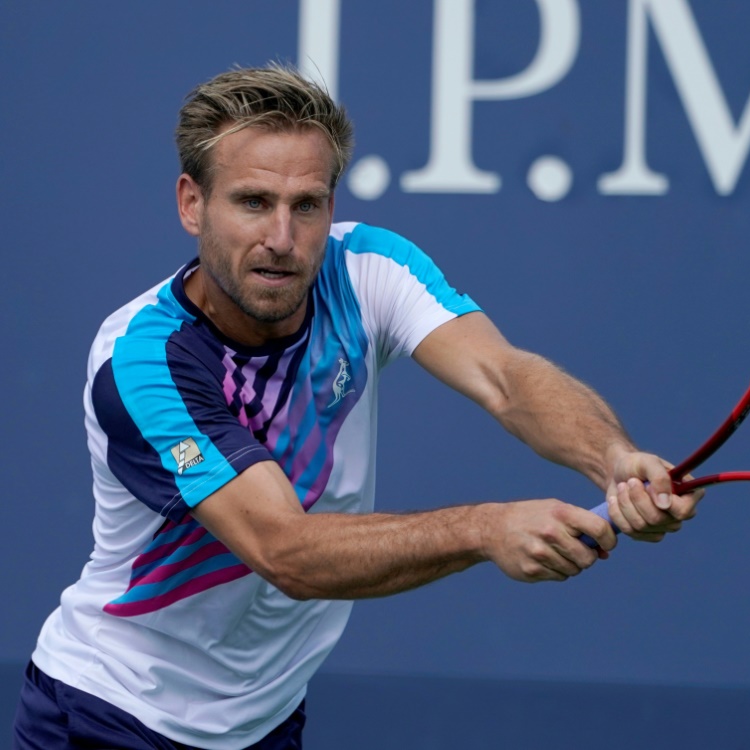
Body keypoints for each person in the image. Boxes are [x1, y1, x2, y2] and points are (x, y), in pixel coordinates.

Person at [12, 63, 703, 749]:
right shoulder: (143, 363)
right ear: (192, 204)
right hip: (110, 715)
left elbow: (505, 375)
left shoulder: (367, 267)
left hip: (265, 723)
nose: (282, 238)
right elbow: (285, 552)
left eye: (307, 205)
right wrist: (486, 529)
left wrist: (611, 457)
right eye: (253, 202)